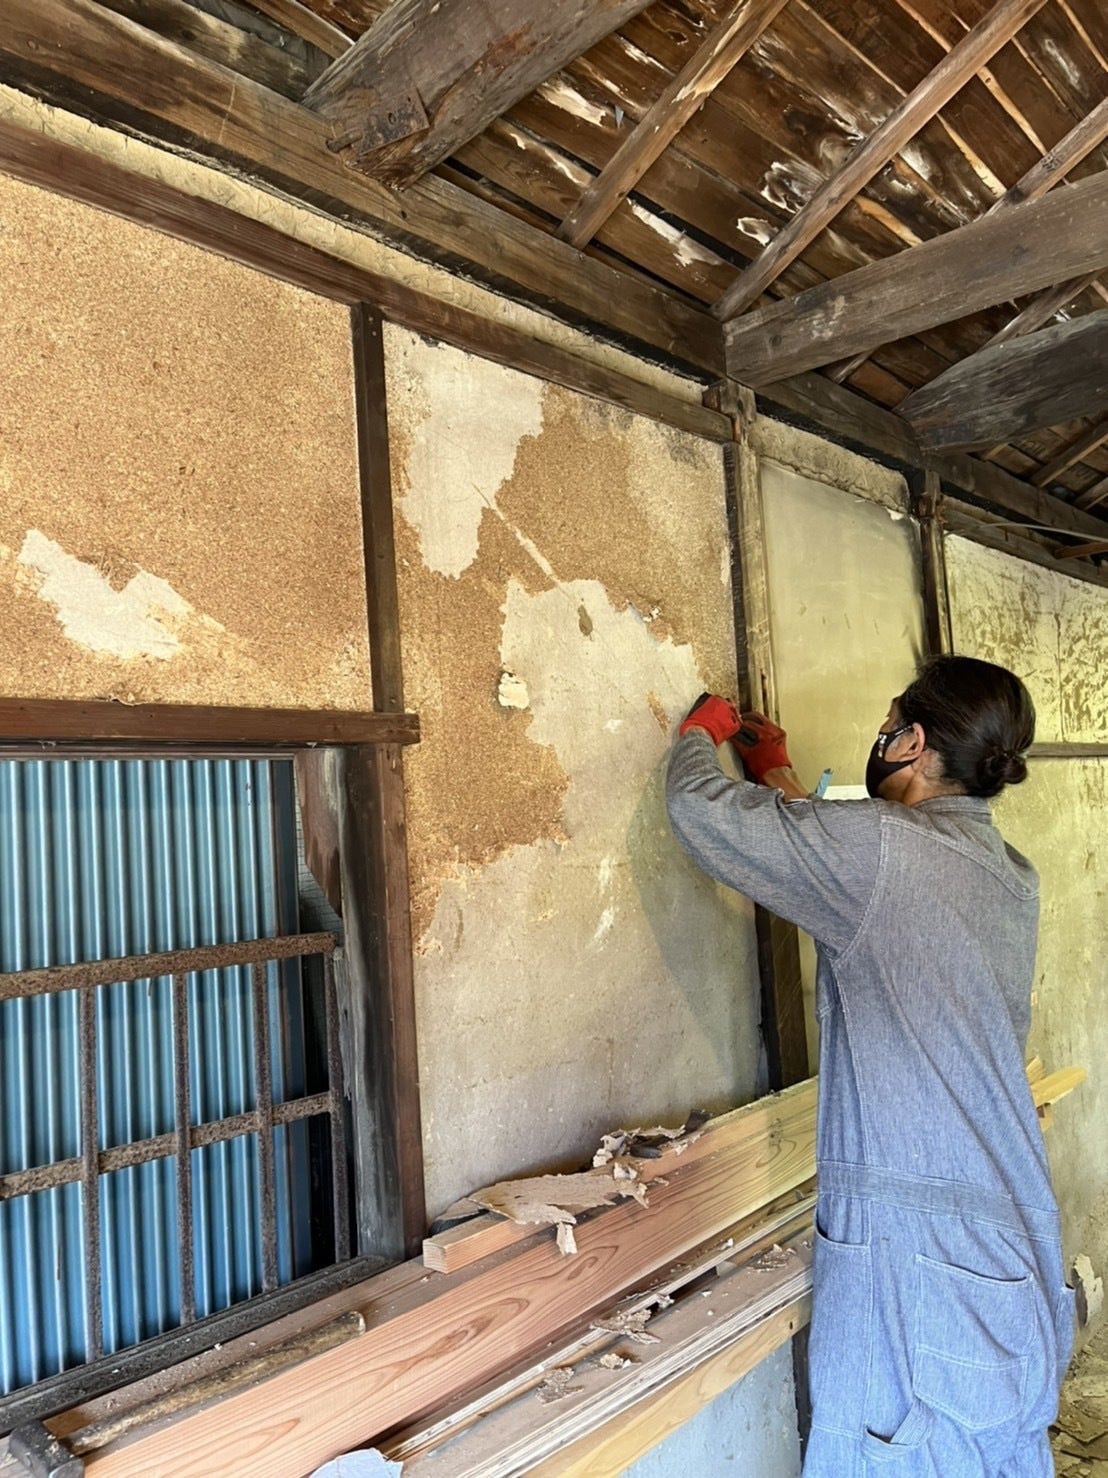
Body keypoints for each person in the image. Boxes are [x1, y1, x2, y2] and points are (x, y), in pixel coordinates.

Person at [665, 655, 1074, 1475]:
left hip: (923, 1249)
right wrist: (775, 770)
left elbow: (701, 811)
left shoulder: (883, 852)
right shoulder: (1005, 872)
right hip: (1007, 1223)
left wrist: (698, 735)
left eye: (889, 726)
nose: (879, 737)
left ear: (913, 742)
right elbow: (841, 857)